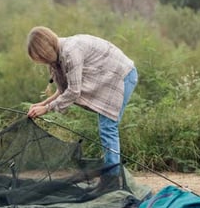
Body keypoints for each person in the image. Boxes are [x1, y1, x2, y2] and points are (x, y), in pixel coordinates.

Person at [26, 26, 138, 180]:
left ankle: (112, 179)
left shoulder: (71, 52)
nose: (43, 62)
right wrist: (42, 104)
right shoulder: (57, 59)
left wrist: (46, 109)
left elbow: (73, 91)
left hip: (122, 75)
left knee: (108, 126)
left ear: (46, 51)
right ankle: (111, 175)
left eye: (42, 58)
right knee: (107, 126)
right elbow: (63, 90)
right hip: (105, 77)